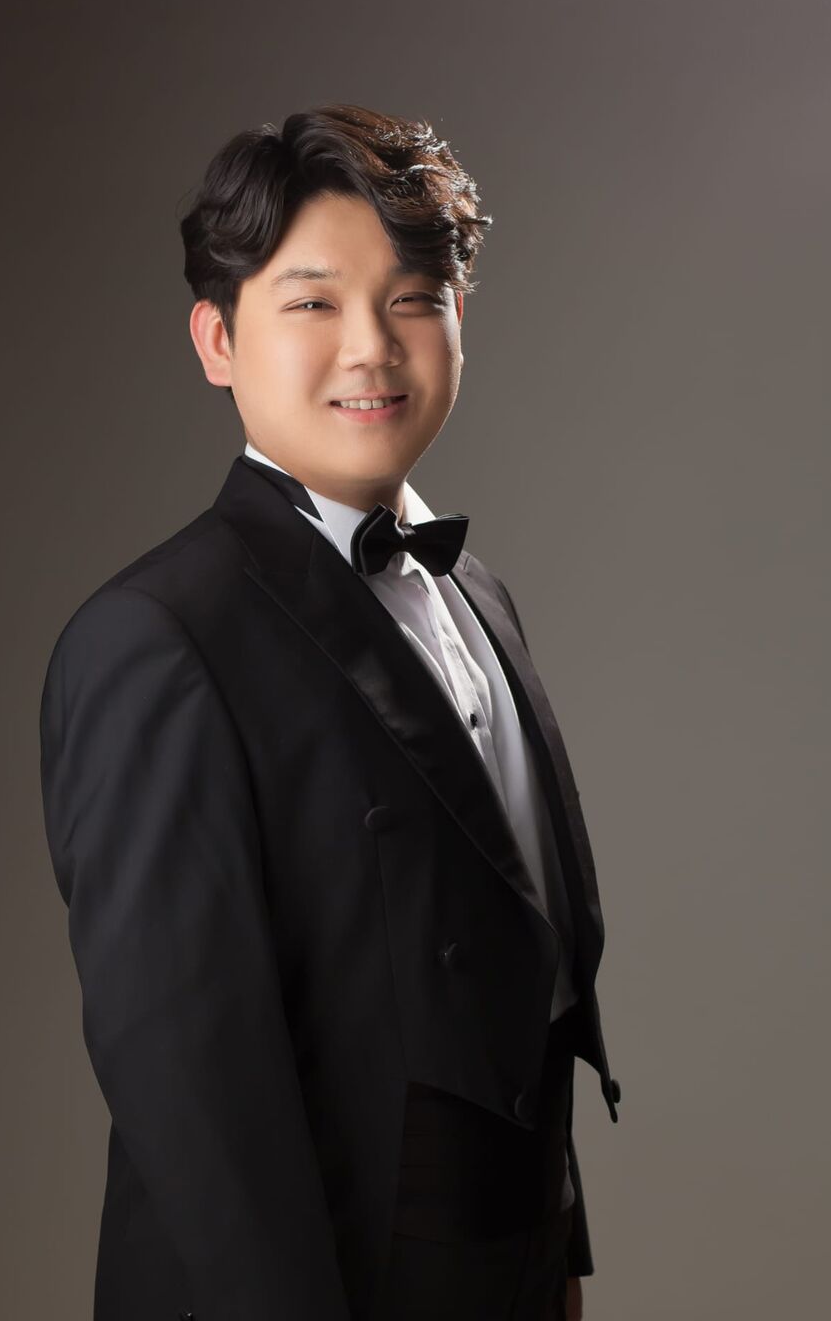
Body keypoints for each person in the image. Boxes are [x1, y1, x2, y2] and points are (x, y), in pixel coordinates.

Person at [39, 101, 621, 1321]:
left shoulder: (480, 595)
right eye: (313, 304)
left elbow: (522, 972)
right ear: (217, 339)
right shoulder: (156, 638)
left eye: (414, 298)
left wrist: (559, 1258)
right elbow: (189, 1097)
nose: (372, 347)